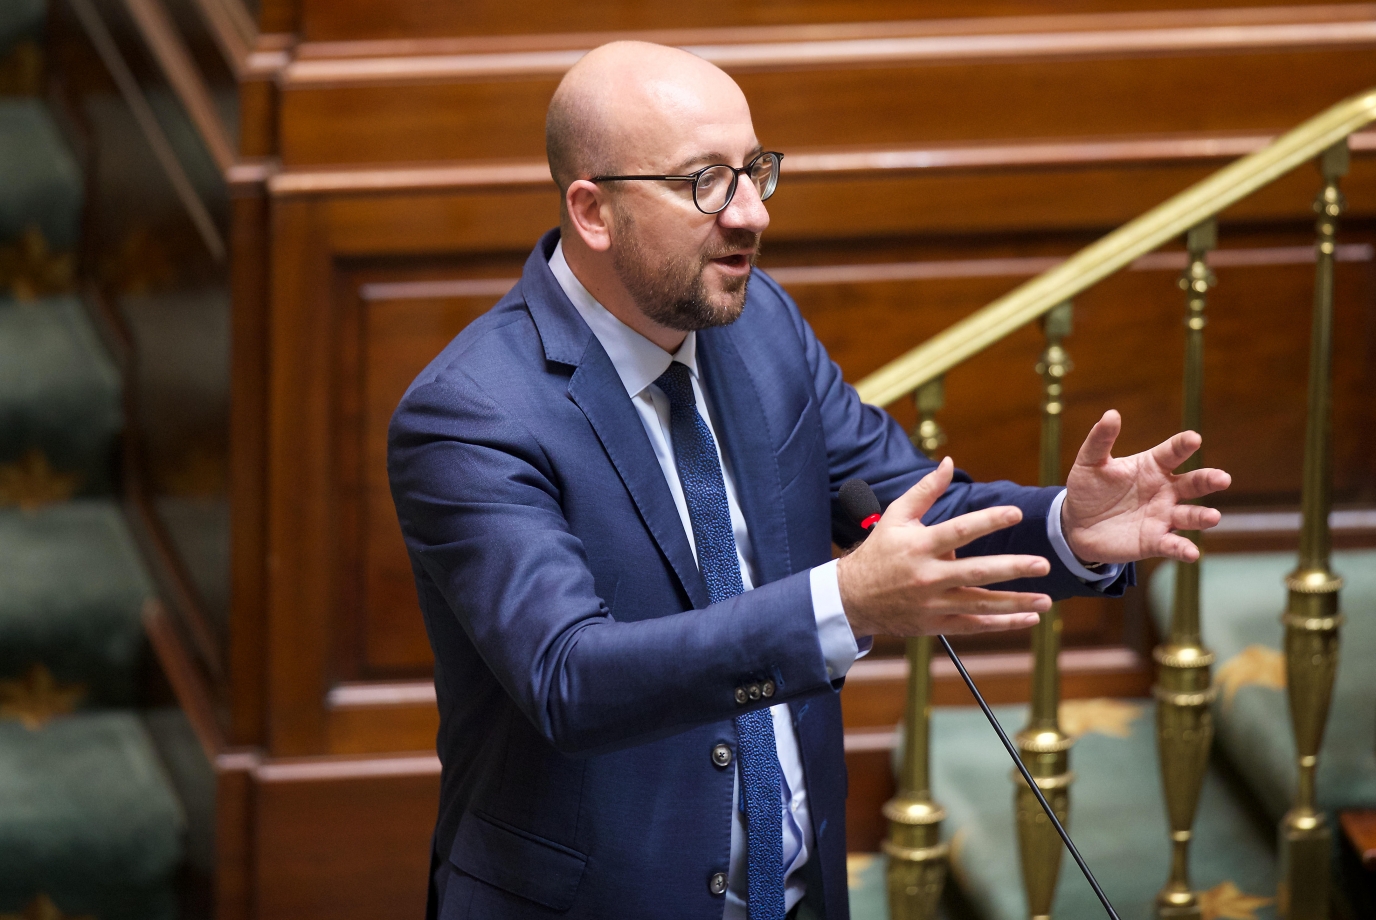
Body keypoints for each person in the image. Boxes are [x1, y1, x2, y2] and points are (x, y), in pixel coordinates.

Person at [387, 41, 1231, 920]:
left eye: (755, 171)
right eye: (705, 182)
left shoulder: (762, 332)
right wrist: (844, 605)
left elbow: (899, 506)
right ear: (593, 211)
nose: (750, 213)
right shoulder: (472, 414)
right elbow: (571, 679)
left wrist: (1063, 526)